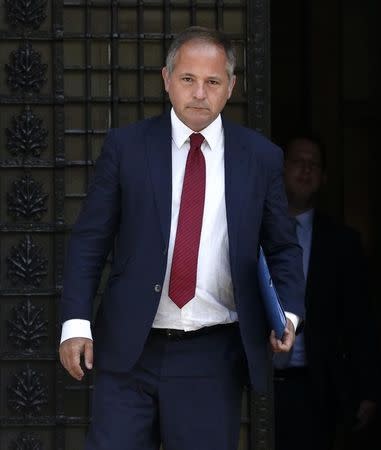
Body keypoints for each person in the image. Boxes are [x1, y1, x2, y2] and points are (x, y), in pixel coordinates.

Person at [59, 27, 305, 450]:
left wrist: (288, 313)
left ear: (231, 87)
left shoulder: (260, 157)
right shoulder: (128, 147)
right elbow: (89, 239)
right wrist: (76, 323)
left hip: (212, 355)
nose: (199, 93)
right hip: (128, 349)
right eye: (188, 79)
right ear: (166, 79)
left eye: (212, 82)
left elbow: (282, 246)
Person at [274, 135, 379, 450]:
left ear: (323, 178)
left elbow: (361, 321)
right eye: (297, 162)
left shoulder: (342, 243)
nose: (305, 170)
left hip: (316, 388)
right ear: (281, 169)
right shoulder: (253, 229)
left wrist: (369, 388)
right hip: (257, 385)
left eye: (314, 165)